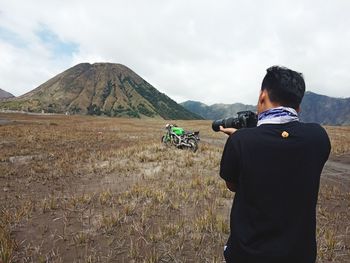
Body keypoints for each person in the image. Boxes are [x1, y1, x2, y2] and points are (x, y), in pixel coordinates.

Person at [219, 66, 331, 263]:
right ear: (299, 106)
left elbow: (233, 185)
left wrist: (241, 139)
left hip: (247, 254)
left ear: (263, 95)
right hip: (299, 254)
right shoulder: (318, 137)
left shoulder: (240, 141)